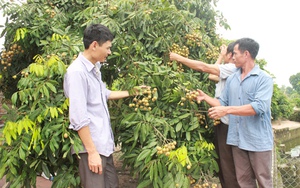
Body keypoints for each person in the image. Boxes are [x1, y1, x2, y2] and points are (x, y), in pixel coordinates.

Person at [63, 23, 144, 188]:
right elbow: (78, 117)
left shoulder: (94, 69)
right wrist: (92, 152)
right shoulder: (77, 72)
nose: (109, 52)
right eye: (107, 48)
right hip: (91, 149)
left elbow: (104, 93)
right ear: (94, 45)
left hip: (103, 147)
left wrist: (132, 92)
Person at [196, 38, 274, 187]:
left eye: (235, 54)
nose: (232, 57)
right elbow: (222, 103)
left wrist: (226, 110)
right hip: (237, 139)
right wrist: (205, 97)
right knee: (243, 181)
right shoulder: (232, 79)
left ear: (246, 54)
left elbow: (257, 107)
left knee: (264, 181)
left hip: (257, 140)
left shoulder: (264, 79)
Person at [170, 43, 240, 188]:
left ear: (232, 55)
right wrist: (221, 56)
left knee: (228, 163)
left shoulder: (232, 69)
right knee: (224, 161)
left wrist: (178, 58)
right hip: (222, 119)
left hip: (227, 121)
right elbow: (211, 76)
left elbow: (204, 68)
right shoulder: (227, 71)